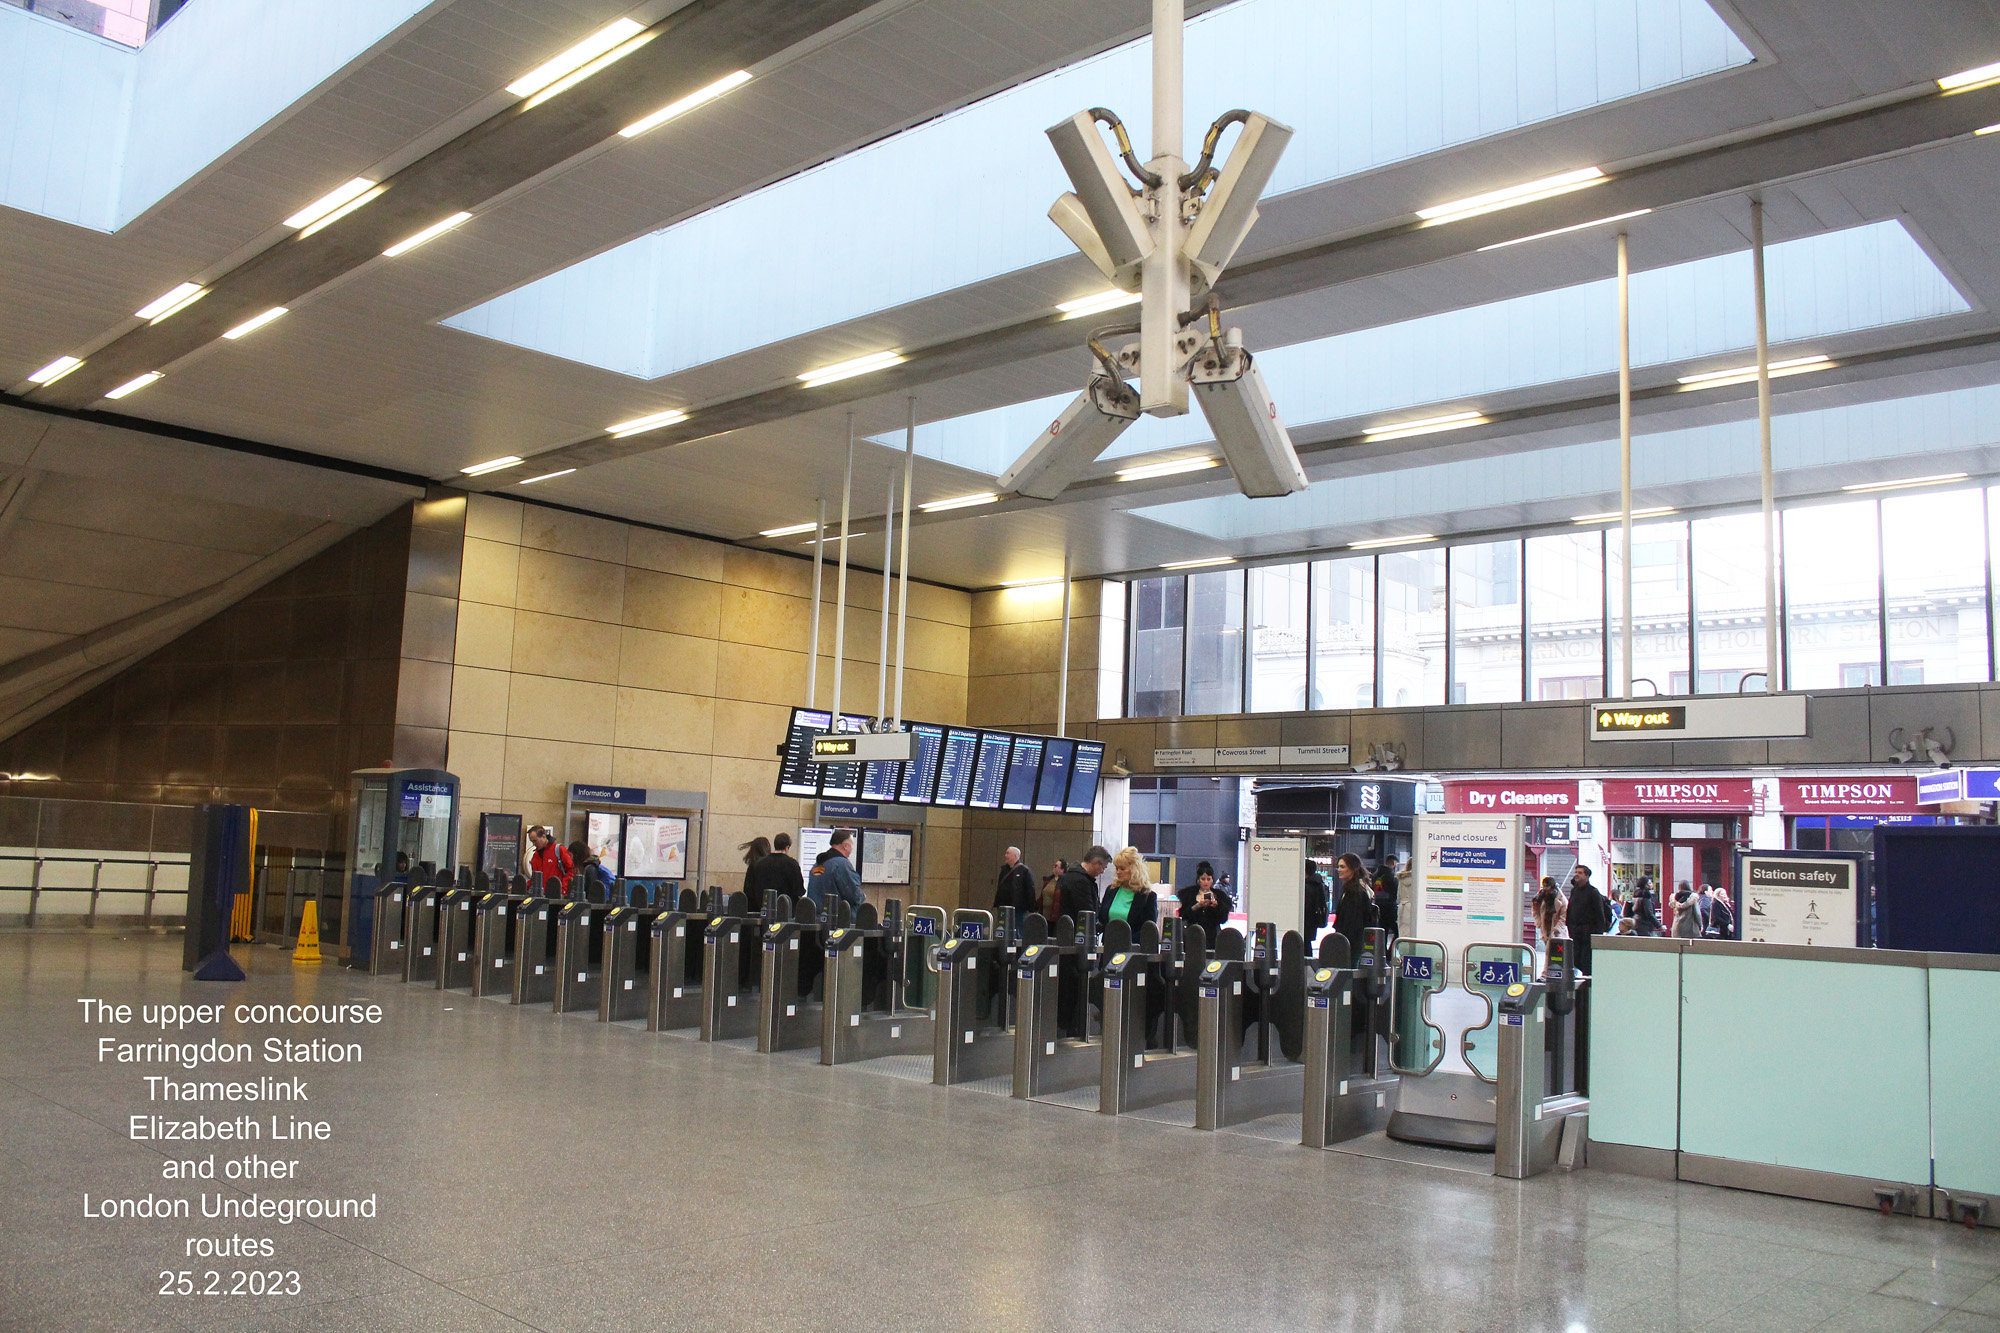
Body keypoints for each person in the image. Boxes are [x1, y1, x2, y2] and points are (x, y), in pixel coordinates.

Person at [1100, 847, 1159, 935]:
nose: (1118, 872)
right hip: (1109, 944)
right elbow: (1102, 920)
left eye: (1122, 869)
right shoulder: (1111, 890)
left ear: (1135, 870)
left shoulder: (1148, 896)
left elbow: (1149, 930)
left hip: (1133, 946)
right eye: (1117, 868)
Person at [1563, 864, 1612, 968]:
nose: (1576, 875)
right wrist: (1569, 926)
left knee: (1586, 961)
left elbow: (1600, 913)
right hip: (1575, 932)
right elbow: (1571, 909)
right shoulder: (1574, 891)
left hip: (1588, 932)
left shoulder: (1593, 892)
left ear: (1587, 876)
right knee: (1576, 959)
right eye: (1576, 872)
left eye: (1580, 873)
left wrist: (1598, 933)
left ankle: (1588, 981)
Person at [1332, 853, 1376, 961]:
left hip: (1351, 944)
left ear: (1353, 868)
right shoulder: (1351, 889)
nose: (1339, 869)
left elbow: (1354, 923)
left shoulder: (1355, 893)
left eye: (1342, 867)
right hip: (1348, 942)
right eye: (1338, 866)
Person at [1176, 861, 1233, 939]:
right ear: (1198, 880)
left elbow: (1223, 919)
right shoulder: (1189, 895)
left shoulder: (1220, 896)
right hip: (1192, 935)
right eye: (1203, 879)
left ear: (1212, 880)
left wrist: (1217, 907)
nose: (1206, 882)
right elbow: (1183, 915)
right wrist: (1198, 906)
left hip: (1212, 935)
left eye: (1208, 879)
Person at [814, 829, 865, 915]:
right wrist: (862, 896)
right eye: (851, 845)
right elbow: (853, 894)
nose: (852, 849)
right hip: (838, 919)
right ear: (845, 846)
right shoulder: (842, 865)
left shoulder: (817, 865)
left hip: (817, 917)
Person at [1053, 846, 1107, 924]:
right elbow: (1087, 912)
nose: (1102, 872)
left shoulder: (1072, 874)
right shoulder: (1081, 881)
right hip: (1078, 930)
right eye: (1103, 868)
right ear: (1096, 863)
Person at [526, 825, 572, 895]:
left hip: (557, 894)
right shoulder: (535, 856)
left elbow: (571, 870)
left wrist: (563, 888)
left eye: (535, 841)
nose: (534, 844)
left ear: (543, 836)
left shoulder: (559, 850)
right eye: (532, 841)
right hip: (541, 894)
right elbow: (534, 878)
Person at [994, 846, 1037, 921]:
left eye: (1008, 853)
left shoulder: (1024, 871)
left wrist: (1031, 908)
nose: (1005, 855)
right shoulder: (1004, 870)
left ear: (1015, 856)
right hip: (1003, 907)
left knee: (1017, 929)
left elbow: (1030, 890)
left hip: (1018, 909)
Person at [740, 836, 779, 913]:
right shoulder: (770, 867)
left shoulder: (752, 867)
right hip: (768, 908)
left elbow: (747, 889)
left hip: (752, 909)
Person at [1532, 876, 1567, 946]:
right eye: (1544, 886)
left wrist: (1557, 929)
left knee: (1556, 952)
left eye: (1547, 886)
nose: (1545, 889)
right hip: (1545, 928)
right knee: (1548, 951)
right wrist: (1539, 922)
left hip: (1557, 931)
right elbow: (1535, 910)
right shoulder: (1540, 897)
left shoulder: (1562, 899)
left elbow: (1563, 916)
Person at [1373, 856, 1401, 943]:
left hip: (1379, 907)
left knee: (1382, 933)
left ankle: (1383, 954)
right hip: (1390, 908)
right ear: (1393, 863)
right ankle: (1390, 952)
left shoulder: (1376, 874)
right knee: (1398, 931)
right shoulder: (1392, 875)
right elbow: (1396, 892)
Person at [1304, 861, 1331, 940]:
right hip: (1313, 922)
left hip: (1306, 922)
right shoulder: (1318, 883)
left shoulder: (1307, 886)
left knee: (1304, 945)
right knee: (1307, 944)